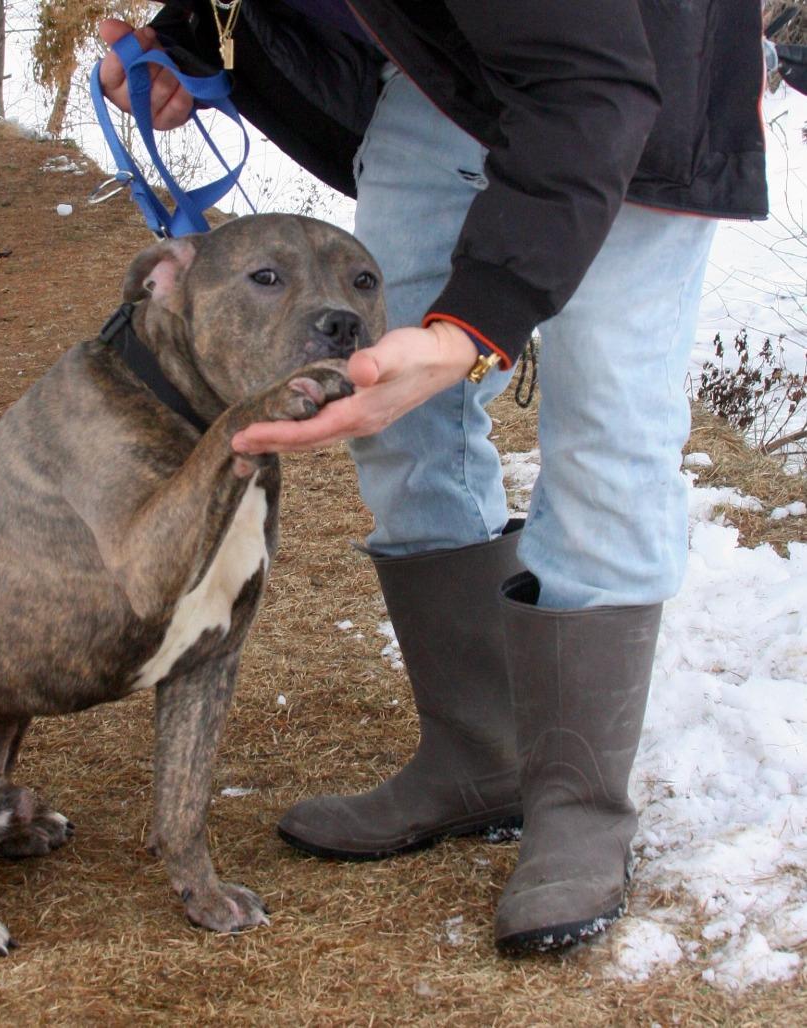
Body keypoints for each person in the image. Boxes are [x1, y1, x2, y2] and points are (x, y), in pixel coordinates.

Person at [97, 1, 767, 954]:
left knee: (607, 424)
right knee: (397, 407)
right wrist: (190, 40)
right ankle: (478, 756)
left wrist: (470, 330)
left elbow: (591, 85)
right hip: (436, 77)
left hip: (637, 89)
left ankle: (580, 804)